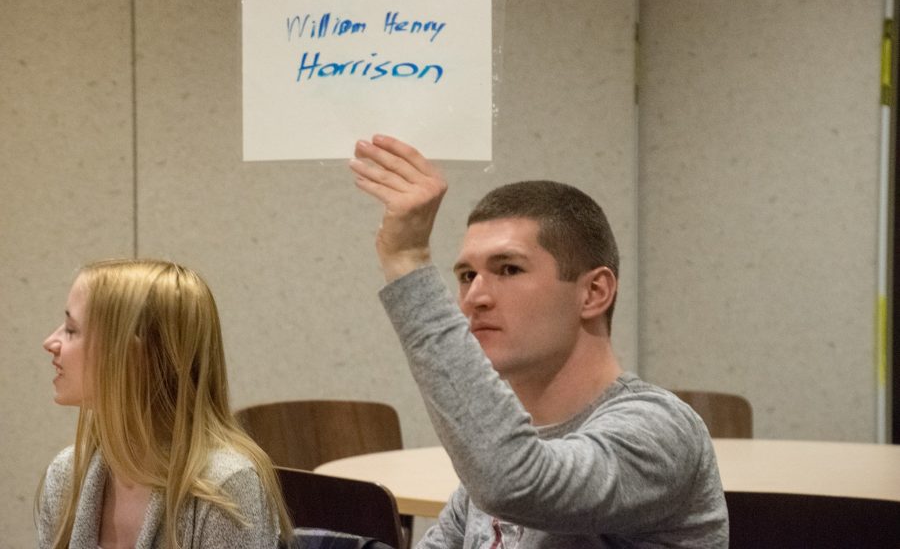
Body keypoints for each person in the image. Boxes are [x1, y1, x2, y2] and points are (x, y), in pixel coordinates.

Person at [350, 135, 729, 548]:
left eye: (509, 269)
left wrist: (408, 262)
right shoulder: (498, 455)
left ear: (594, 293)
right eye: (465, 276)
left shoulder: (659, 429)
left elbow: (514, 482)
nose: (475, 296)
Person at [37, 259, 292, 549]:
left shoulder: (224, 489)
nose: (50, 342)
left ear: (134, 356)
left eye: (71, 330)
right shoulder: (66, 476)